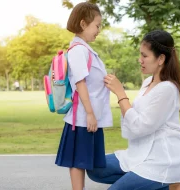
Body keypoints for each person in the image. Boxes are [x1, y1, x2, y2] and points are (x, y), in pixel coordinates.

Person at [87, 30, 180, 190]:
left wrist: (120, 93)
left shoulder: (168, 89)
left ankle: (172, 182)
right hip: (139, 153)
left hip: (162, 161)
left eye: (145, 55)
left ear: (161, 59)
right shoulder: (148, 82)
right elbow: (132, 120)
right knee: (95, 168)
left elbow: (139, 126)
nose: (139, 60)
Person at [55, 2, 113, 190]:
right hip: (83, 117)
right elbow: (80, 82)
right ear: (83, 24)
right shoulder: (79, 50)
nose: (98, 30)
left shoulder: (85, 49)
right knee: (78, 161)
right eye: (96, 25)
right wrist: (89, 113)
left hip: (89, 115)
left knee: (82, 161)